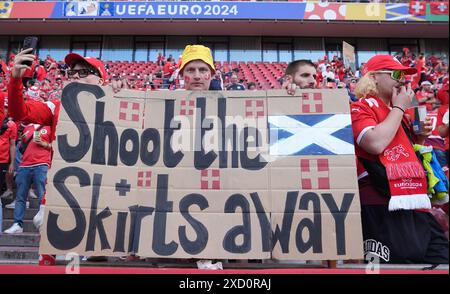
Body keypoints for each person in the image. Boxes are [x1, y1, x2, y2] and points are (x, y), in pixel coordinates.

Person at [351, 54, 448, 264]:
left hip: (413, 200)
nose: (403, 79)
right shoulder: (361, 107)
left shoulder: (400, 114)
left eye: (404, 74)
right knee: (397, 264)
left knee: (440, 258)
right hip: (381, 201)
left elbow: (408, 154)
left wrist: (420, 137)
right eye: (396, 74)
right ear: (374, 77)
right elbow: (375, 143)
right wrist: (399, 107)